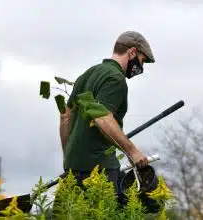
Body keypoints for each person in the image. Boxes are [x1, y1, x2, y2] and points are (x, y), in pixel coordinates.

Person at [58, 31, 155, 194]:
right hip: (101, 172)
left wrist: (69, 159)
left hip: (72, 171)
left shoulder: (87, 74)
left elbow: (65, 117)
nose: (141, 67)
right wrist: (133, 152)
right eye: (142, 60)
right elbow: (102, 117)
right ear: (132, 52)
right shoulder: (116, 78)